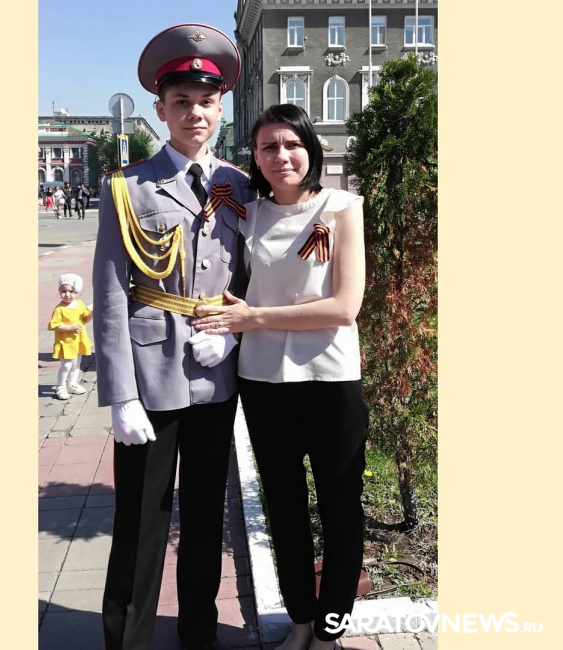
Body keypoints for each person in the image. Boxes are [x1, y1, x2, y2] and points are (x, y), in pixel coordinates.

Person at [92, 23, 255, 650]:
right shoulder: (127, 186)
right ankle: (126, 641)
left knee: (207, 514)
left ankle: (198, 635)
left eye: (206, 101)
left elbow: (253, 279)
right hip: (149, 374)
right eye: (181, 101)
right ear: (161, 110)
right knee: (140, 520)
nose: (195, 113)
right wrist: (120, 396)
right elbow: (112, 292)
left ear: (221, 109)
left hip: (216, 375)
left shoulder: (241, 185)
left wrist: (234, 338)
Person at [192, 104, 368, 650]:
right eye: (268, 147)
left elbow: (344, 308)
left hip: (331, 379)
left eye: (291, 144)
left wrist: (255, 319)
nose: (281, 156)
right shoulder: (247, 214)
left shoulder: (342, 208)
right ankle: (299, 624)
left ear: (310, 148)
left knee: (341, 507)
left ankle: (329, 631)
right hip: (264, 382)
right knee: (284, 508)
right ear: (256, 157)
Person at [48, 273, 93, 400]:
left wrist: (92, 313)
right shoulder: (59, 309)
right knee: (66, 365)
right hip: (65, 342)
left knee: (76, 364)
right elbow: (54, 325)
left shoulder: (79, 304)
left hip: (78, 340)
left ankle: (72, 384)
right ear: (59, 291)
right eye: (63, 291)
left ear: (76, 292)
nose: (67, 294)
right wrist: (69, 328)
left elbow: (85, 319)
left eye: (71, 291)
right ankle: (61, 386)